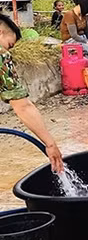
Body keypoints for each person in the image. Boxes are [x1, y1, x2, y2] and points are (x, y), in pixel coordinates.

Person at [0, 13, 63, 172]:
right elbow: (22, 106)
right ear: (1, 33)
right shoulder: (1, 55)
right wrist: (50, 144)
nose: (8, 49)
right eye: (10, 44)